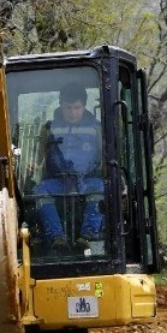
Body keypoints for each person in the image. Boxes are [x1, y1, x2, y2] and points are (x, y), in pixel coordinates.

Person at [34, 84, 105, 250]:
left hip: (87, 180)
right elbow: (39, 158)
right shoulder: (49, 128)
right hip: (59, 181)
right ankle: (56, 237)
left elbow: (105, 155)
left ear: (84, 106)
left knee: (100, 188)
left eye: (77, 108)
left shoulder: (97, 128)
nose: (73, 113)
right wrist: (35, 165)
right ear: (60, 104)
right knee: (40, 190)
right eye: (68, 108)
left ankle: (87, 236)